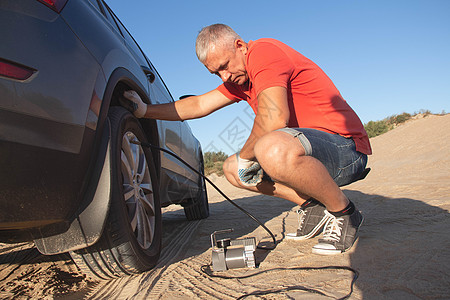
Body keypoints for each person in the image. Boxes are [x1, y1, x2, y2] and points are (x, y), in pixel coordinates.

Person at [122, 24, 372, 255]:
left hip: (345, 149)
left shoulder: (263, 52)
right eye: (216, 73)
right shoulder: (240, 79)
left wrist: (246, 156)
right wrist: (145, 110)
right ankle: (313, 207)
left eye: (225, 65)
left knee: (270, 147)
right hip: (309, 151)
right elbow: (198, 104)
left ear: (240, 46)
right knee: (232, 169)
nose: (224, 77)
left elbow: (274, 118)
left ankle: (345, 213)